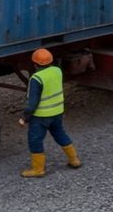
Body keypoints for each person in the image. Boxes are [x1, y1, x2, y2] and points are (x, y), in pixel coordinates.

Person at [18, 48, 81, 177]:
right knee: (60, 134)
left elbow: (32, 102)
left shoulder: (37, 78)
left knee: (35, 140)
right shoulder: (57, 71)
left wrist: (24, 117)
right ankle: (74, 160)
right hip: (57, 112)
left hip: (41, 116)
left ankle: (38, 170)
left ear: (35, 64)